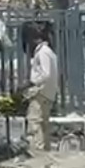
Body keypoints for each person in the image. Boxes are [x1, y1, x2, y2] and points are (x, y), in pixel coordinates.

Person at [24, 23, 59, 152]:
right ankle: (45, 156)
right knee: (43, 127)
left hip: (41, 93)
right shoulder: (49, 52)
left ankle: (37, 156)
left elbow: (46, 74)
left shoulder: (43, 53)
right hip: (47, 93)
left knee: (35, 125)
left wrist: (31, 82)